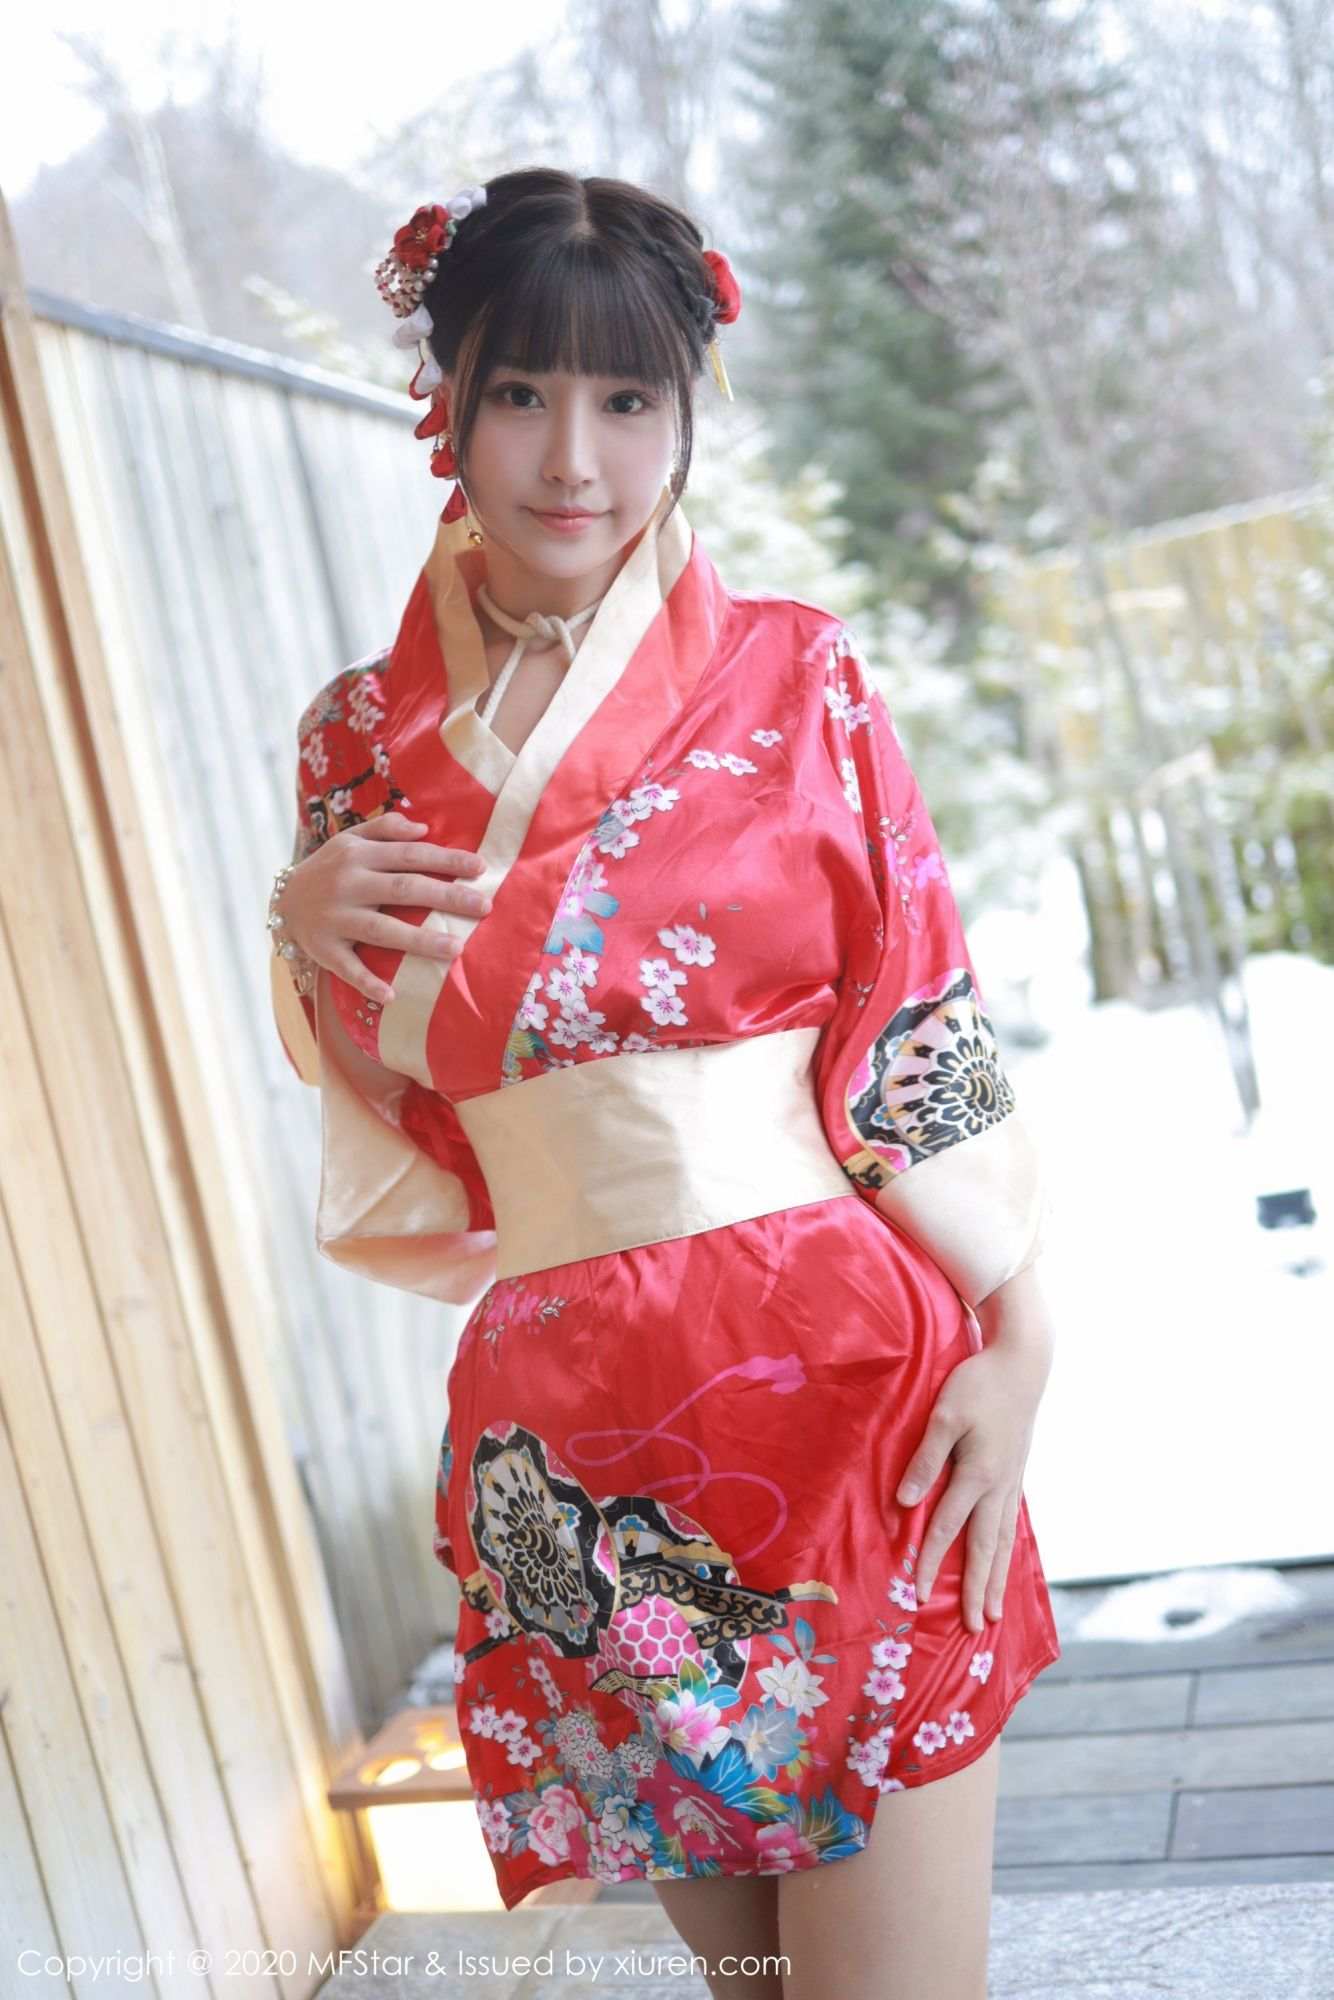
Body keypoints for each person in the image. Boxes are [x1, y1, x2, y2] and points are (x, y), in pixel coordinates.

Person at [267, 166, 1060, 2000]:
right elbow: (417, 1109)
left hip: (849, 1390)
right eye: (522, 391)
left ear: (685, 413)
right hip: (574, 1442)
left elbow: (917, 1013)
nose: (574, 458)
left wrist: (1022, 1331)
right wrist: (298, 930)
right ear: (444, 403)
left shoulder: (798, 673)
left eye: (628, 399)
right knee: (753, 1992)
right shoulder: (355, 739)